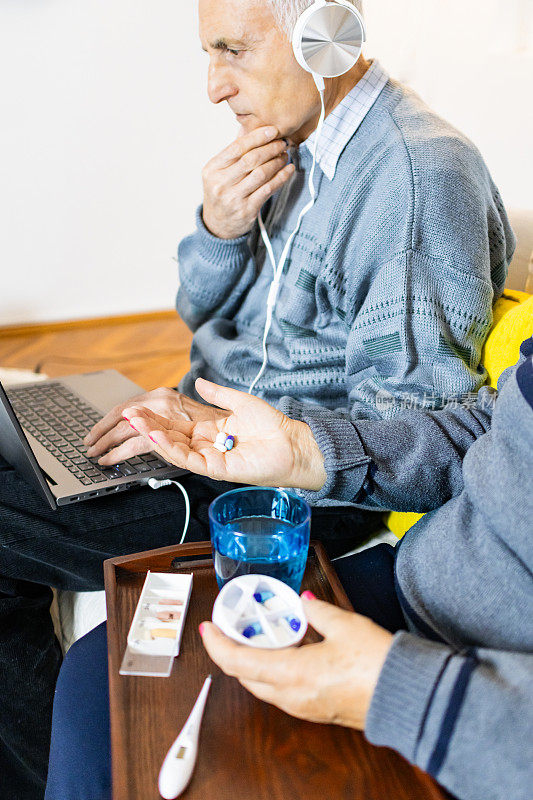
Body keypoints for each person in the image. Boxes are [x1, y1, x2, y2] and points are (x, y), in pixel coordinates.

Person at [0, 0, 516, 797]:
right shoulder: (286, 149)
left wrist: (269, 443)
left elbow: (410, 431)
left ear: (325, 35)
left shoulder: (414, 183)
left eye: (233, 51)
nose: (214, 87)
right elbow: (200, 319)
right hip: (210, 428)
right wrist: (217, 229)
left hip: (282, 486)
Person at [46, 336, 533, 800]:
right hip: (419, 579)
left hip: (473, 701)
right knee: (98, 678)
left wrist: (403, 693)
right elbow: (490, 428)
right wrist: (308, 451)